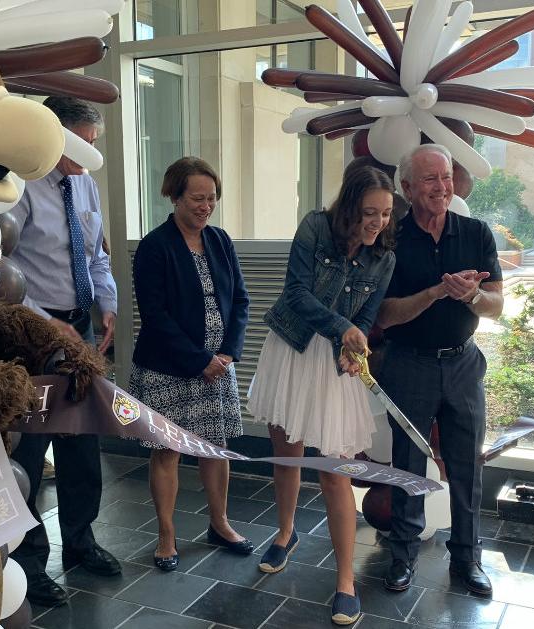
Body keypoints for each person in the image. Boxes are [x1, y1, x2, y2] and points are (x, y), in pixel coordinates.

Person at [249, 165, 396, 626]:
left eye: (387, 214)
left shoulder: (385, 258)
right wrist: (343, 329)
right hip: (292, 347)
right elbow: (294, 294)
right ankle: (286, 532)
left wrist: (354, 348)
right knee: (287, 449)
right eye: (369, 212)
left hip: (335, 356)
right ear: (349, 207)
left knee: (336, 469)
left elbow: (368, 315)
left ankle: (345, 580)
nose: (377, 223)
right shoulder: (315, 226)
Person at [6, 96, 121, 607]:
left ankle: (81, 541)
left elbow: (95, 253)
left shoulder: (86, 183)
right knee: (29, 453)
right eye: (83, 145)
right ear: (54, 136)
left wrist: (107, 305)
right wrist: (49, 325)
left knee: (81, 445)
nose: (89, 156)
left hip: (79, 331)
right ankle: (30, 564)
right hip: (31, 333)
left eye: (95, 147)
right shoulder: (18, 184)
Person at [375, 144, 503, 597]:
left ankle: (467, 560)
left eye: (446, 176)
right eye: (430, 179)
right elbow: (383, 315)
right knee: (408, 466)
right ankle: (402, 556)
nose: (441, 187)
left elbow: (497, 306)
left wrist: (469, 296)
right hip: (407, 364)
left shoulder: (476, 232)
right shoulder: (389, 237)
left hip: (463, 363)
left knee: (466, 464)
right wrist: (433, 294)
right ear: (407, 188)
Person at [130, 157, 254, 571]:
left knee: (215, 449)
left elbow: (239, 301)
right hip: (169, 369)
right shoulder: (154, 246)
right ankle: (166, 535)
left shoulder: (220, 240)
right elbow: (155, 315)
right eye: (197, 198)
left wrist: (228, 353)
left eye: (212, 199)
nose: (206, 206)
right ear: (174, 196)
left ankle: (219, 524)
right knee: (168, 452)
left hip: (218, 367)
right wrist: (199, 360)